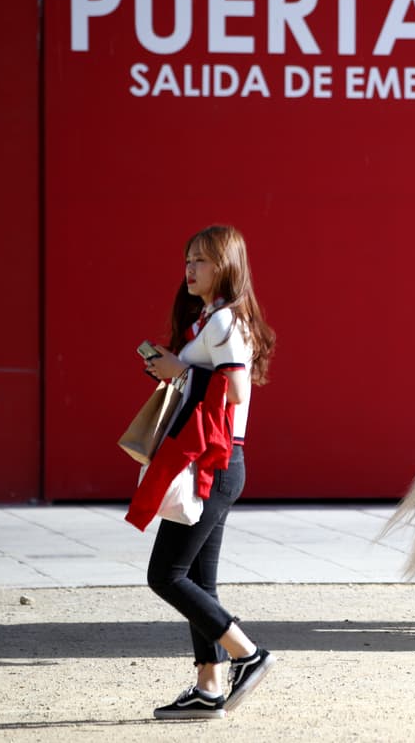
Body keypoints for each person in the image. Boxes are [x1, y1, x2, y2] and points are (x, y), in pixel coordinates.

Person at [141, 224, 278, 719]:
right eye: (187, 259)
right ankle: (209, 685)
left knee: (166, 574)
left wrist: (180, 370)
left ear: (226, 265)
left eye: (201, 260)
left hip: (213, 464)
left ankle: (248, 653)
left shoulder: (222, 321)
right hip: (215, 461)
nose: (190, 269)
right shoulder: (211, 319)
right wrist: (174, 368)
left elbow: (235, 391)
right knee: (199, 578)